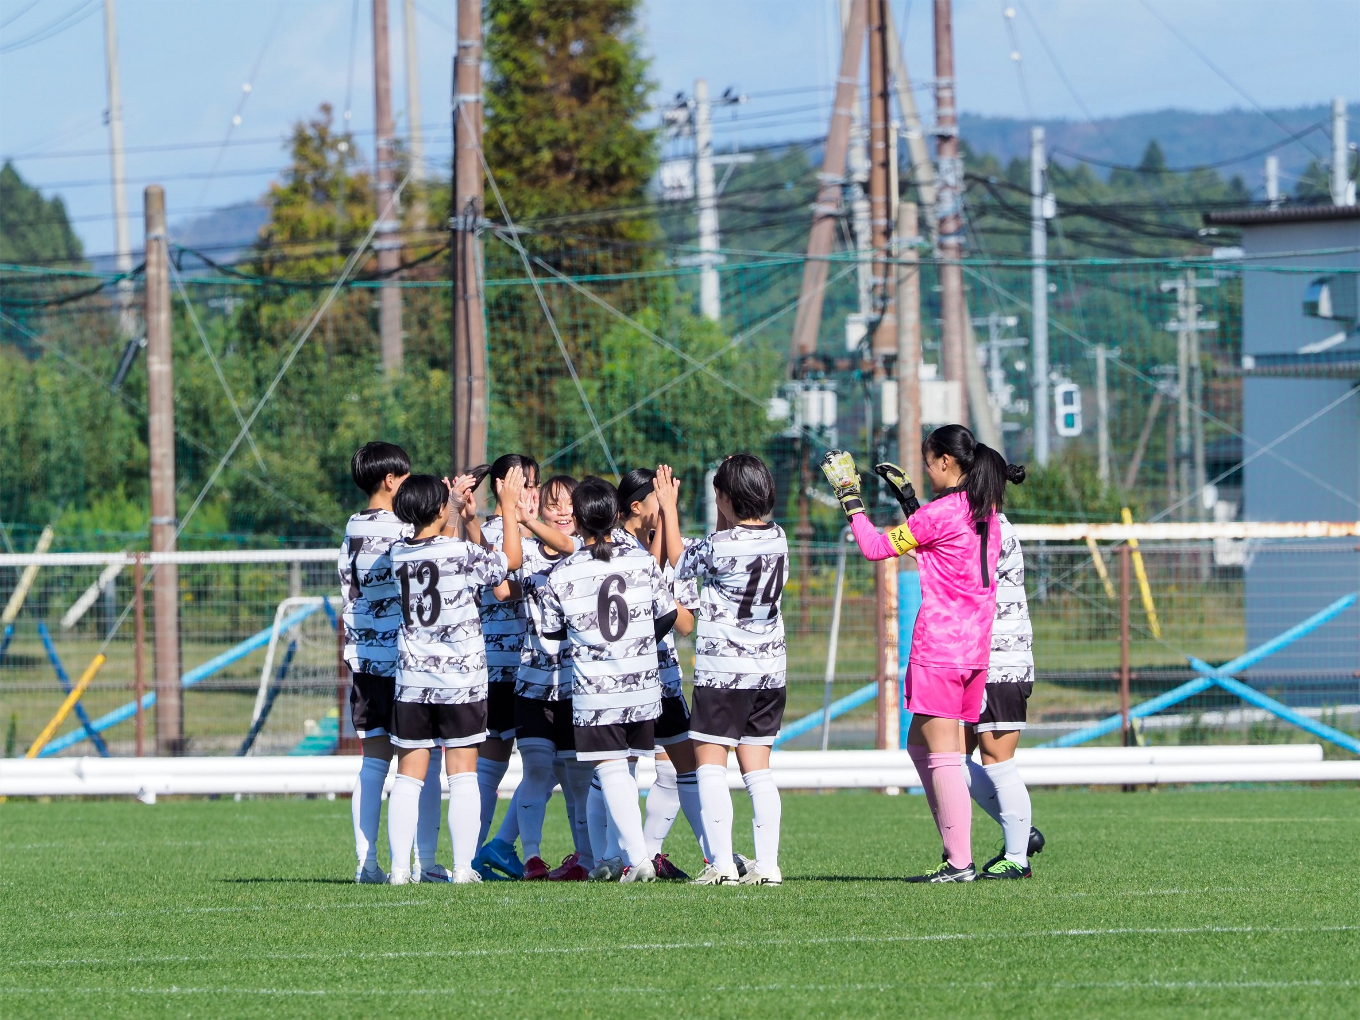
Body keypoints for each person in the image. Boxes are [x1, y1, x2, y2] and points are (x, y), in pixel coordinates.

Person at [821, 424, 1024, 882]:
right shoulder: (985, 511)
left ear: (947, 463)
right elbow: (938, 549)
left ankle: (959, 862)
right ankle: (960, 853)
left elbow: (875, 548)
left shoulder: (942, 513)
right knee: (921, 746)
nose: (926, 468)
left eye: (929, 461)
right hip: (974, 652)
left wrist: (850, 497)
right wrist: (910, 501)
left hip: (940, 650)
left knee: (945, 757)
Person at [538, 477, 693, 884]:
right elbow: (666, 617)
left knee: (608, 769)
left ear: (581, 521)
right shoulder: (641, 561)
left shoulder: (563, 573)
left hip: (597, 689)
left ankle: (638, 858)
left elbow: (551, 633)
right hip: (643, 686)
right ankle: (610, 854)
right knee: (622, 770)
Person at [385, 468, 525, 885]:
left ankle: (398, 869)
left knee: (409, 777)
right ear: (439, 508)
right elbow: (511, 562)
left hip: (412, 681)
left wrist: (453, 504)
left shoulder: (398, 553)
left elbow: (435, 536)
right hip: (460, 682)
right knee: (462, 773)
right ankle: (463, 868)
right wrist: (506, 507)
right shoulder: (460, 553)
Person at [678, 455, 789, 887]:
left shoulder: (714, 546)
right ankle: (769, 865)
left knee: (709, 763)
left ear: (724, 498)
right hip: (769, 670)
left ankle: (721, 864)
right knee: (758, 769)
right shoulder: (778, 537)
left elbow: (683, 577)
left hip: (723, 669)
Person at [339, 441, 440, 884]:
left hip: (363, 660)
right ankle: (425, 861)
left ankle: (368, 862)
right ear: (392, 481)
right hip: (404, 661)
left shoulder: (352, 526)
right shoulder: (399, 531)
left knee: (374, 761)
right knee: (422, 760)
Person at [470, 455, 573, 880]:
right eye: (525, 484)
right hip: (503, 667)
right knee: (496, 766)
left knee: (542, 766)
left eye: (535, 485)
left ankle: (492, 848)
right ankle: (477, 852)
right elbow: (502, 585)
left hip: (533, 666)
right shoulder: (500, 534)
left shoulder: (536, 533)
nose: (534, 493)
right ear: (502, 486)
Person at [616, 467, 706, 880]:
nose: (668, 505)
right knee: (621, 767)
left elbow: (685, 623)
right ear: (636, 507)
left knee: (682, 766)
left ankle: (668, 856)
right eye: (659, 498)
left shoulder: (666, 547)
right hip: (624, 678)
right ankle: (613, 857)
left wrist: (670, 520)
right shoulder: (614, 547)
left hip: (663, 675)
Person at [511, 475, 595, 881]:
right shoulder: (524, 552)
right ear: (539, 505)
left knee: (579, 780)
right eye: (554, 504)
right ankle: (532, 858)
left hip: (576, 686)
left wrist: (525, 519)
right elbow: (499, 588)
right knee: (537, 771)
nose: (563, 512)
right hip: (533, 683)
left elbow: (564, 545)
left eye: (570, 504)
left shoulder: (583, 551)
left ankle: (584, 856)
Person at [965, 509, 1045, 878]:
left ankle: (1017, 856)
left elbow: (959, 571)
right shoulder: (979, 524)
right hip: (976, 657)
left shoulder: (991, 527)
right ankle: (1018, 836)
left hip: (1000, 658)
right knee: (944, 754)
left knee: (996, 760)